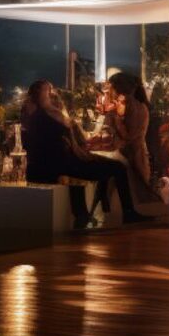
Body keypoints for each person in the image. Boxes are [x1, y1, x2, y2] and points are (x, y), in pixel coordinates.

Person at [19, 79, 132, 230]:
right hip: (56, 165)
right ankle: (126, 212)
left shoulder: (42, 115)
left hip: (55, 163)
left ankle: (84, 213)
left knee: (100, 165)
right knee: (118, 167)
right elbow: (63, 136)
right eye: (48, 91)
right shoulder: (45, 116)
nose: (52, 93)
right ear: (40, 95)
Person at [108, 70, 161, 212]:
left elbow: (130, 135)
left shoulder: (135, 106)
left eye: (112, 86)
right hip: (130, 154)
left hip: (135, 156)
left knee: (138, 193)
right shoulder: (130, 104)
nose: (110, 91)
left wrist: (116, 119)